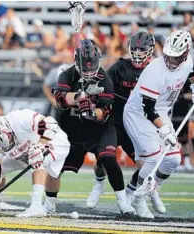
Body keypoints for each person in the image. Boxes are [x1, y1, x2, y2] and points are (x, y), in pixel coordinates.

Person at [86, 31, 168, 213]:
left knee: (149, 162)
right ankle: (99, 184)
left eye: (142, 49)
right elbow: (104, 85)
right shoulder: (120, 67)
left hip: (138, 124)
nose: (138, 52)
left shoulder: (155, 69)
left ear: (150, 50)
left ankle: (137, 191)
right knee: (104, 157)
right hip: (115, 122)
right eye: (135, 48)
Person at [53, 39, 135, 215]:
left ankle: (123, 201)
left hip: (101, 128)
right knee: (55, 165)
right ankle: (47, 203)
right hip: (74, 129)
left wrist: (91, 110)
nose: (90, 72)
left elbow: (104, 111)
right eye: (86, 68)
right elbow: (60, 99)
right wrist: (78, 97)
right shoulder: (67, 74)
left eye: (93, 67)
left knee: (109, 159)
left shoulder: (105, 79)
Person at [123, 30, 193, 219]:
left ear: (185, 54)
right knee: (153, 158)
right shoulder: (154, 71)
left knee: (173, 160)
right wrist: (164, 131)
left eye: (175, 57)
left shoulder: (188, 61)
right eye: (168, 56)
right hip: (138, 114)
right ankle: (138, 199)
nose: (170, 61)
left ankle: (154, 188)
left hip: (161, 112)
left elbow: (192, 73)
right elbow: (148, 109)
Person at [0, 109, 70, 217]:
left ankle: (36, 206)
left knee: (36, 158)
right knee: (2, 167)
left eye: (8, 140)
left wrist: (40, 145)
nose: (7, 146)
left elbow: (51, 124)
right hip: (25, 152)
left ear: (7, 130)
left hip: (54, 142)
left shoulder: (20, 118)